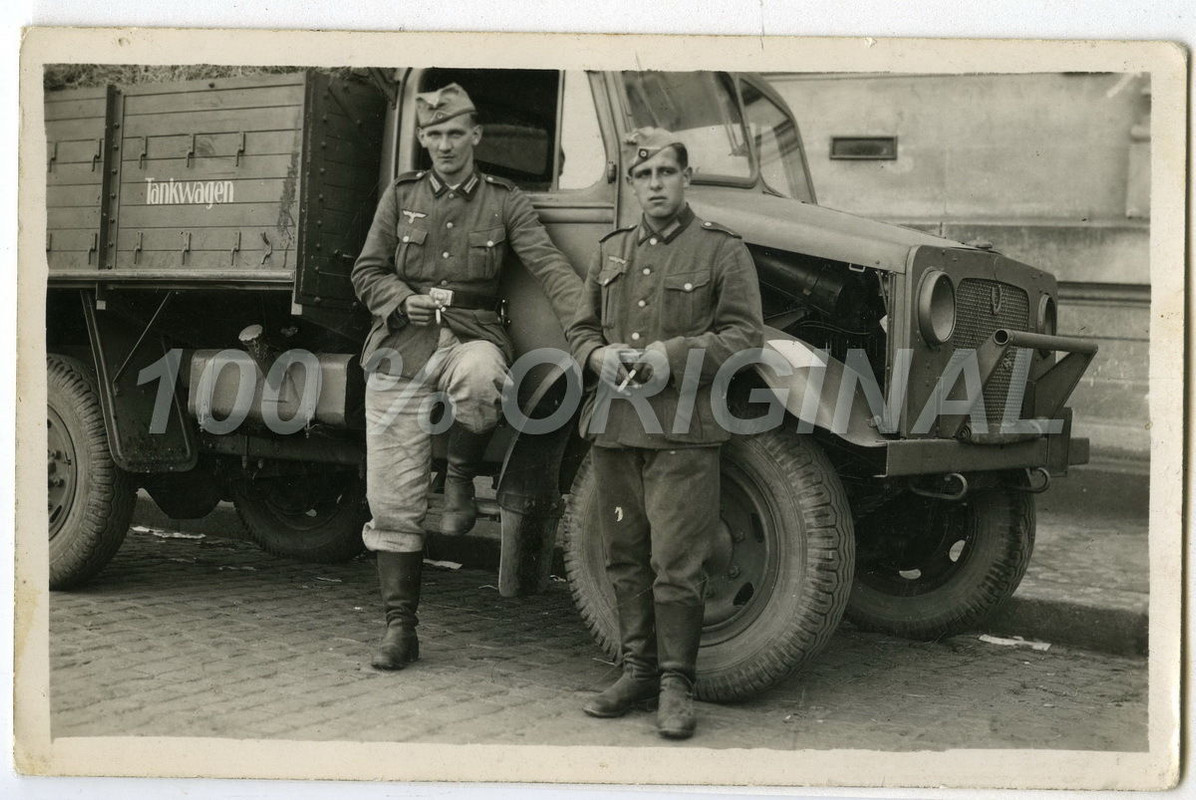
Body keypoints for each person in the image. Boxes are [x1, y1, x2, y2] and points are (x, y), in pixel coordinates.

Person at [351, 83, 582, 671]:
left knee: (483, 380)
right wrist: (400, 300)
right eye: (435, 135)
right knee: (391, 497)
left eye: (456, 133)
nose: (446, 145)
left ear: (476, 136)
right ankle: (400, 628)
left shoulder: (505, 201)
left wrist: (589, 322)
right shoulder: (401, 196)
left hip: (473, 335)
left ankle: (458, 479)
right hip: (401, 344)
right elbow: (366, 272)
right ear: (422, 139)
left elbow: (549, 265)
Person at [568, 127, 764, 740]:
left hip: (683, 428)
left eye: (665, 173)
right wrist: (595, 355)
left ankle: (677, 685)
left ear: (686, 178)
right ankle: (635, 674)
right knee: (624, 558)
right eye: (644, 175)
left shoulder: (720, 250)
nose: (655, 185)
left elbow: (745, 339)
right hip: (615, 427)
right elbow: (580, 329)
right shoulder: (610, 250)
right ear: (632, 184)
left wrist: (671, 356)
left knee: (677, 564)